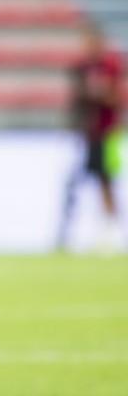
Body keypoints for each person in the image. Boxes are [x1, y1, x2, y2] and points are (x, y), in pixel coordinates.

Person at [56, 21, 124, 252]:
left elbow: (114, 98)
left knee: (106, 180)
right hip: (87, 134)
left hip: (107, 134)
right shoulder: (83, 68)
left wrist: (101, 93)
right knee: (77, 182)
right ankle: (68, 233)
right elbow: (77, 99)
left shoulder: (110, 66)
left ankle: (112, 231)